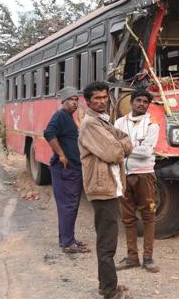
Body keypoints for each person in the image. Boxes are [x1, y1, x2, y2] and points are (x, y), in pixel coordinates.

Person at [78, 81, 132, 299]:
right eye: (97, 98)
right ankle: (110, 291)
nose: (102, 101)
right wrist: (122, 145)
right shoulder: (91, 123)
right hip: (101, 188)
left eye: (104, 97)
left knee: (107, 238)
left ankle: (106, 285)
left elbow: (126, 141)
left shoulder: (103, 121)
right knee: (107, 242)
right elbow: (115, 153)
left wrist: (122, 144)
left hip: (109, 186)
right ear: (88, 101)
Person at [114, 89, 160, 273]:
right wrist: (132, 147)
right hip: (124, 174)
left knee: (148, 216)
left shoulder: (152, 124)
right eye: (138, 100)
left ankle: (148, 258)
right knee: (128, 218)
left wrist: (124, 147)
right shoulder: (119, 122)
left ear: (148, 105)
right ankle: (132, 257)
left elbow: (146, 152)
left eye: (145, 101)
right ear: (131, 102)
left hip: (145, 175)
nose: (141, 104)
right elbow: (113, 145)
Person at [43, 86, 89, 254]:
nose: (74, 103)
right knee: (68, 205)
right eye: (71, 100)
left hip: (73, 169)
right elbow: (48, 133)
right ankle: (68, 244)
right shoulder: (60, 116)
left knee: (70, 205)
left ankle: (68, 239)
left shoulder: (68, 117)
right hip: (65, 169)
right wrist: (61, 154)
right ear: (63, 101)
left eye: (77, 100)